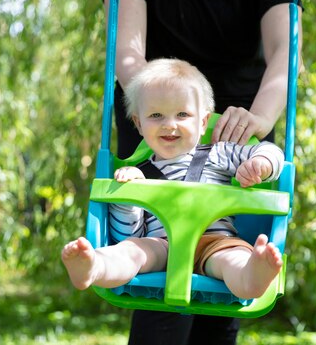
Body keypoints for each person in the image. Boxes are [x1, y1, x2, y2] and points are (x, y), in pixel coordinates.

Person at [103, 0, 303, 342]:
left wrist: (259, 123)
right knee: (160, 299)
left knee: (223, 286)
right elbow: (126, 54)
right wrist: (159, 114)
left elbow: (286, 52)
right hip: (156, 125)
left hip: (239, 123)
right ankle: (103, 266)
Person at [62, 58, 285, 301]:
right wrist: (129, 198)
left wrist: (260, 164)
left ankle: (252, 277)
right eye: (156, 115)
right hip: (162, 245)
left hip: (216, 242)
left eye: (182, 114)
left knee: (235, 259)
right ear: (138, 123)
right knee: (130, 251)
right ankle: (95, 266)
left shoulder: (219, 152)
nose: (170, 125)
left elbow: (271, 152)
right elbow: (128, 234)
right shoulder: (138, 172)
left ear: (202, 122)